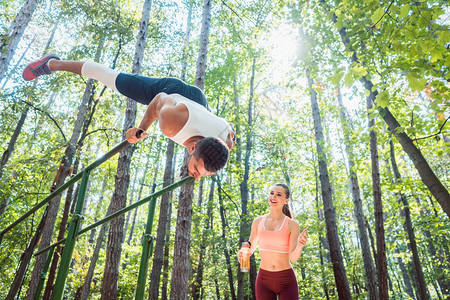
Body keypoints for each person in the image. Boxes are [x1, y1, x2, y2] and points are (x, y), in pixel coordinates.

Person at [23, 53, 236, 179]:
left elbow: (230, 134)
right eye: (198, 170)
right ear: (192, 148)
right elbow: (160, 99)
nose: (197, 176)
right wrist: (141, 129)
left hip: (198, 103)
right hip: (170, 92)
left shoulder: (225, 140)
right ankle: (52, 63)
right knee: (113, 79)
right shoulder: (172, 124)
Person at [238, 183, 308, 300]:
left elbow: (293, 258)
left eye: (278, 194)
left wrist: (300, 246)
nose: (273, 197)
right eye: (271, 193)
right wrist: (243, 252)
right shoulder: (258, 221)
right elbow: (250, 248)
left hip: (286, 280)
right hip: (263, 281)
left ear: (286, 200)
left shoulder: (292, 224)